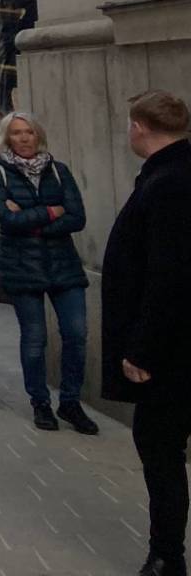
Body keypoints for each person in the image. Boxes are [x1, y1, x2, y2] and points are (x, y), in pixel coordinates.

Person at [102, 90, 191, 576]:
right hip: (173, 343)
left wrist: (142, 349)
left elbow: (169, 276)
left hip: (173, 350)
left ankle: (166, 557)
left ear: (138, 127)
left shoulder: (170, 184)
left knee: (160, 448)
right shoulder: (171, 175)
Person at [0, 112, 97, 436]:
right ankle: (40, 401)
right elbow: (7, 221)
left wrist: (30, 222)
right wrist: (50, 212)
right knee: (35, 338)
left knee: (76, 334)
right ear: (8, 138)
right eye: (17, 133)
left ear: (39, 136)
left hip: (63, 264)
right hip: (22, 266)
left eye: (29, 132)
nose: (24, 138)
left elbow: (77, 217)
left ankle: (71, 401)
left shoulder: (59, 171)